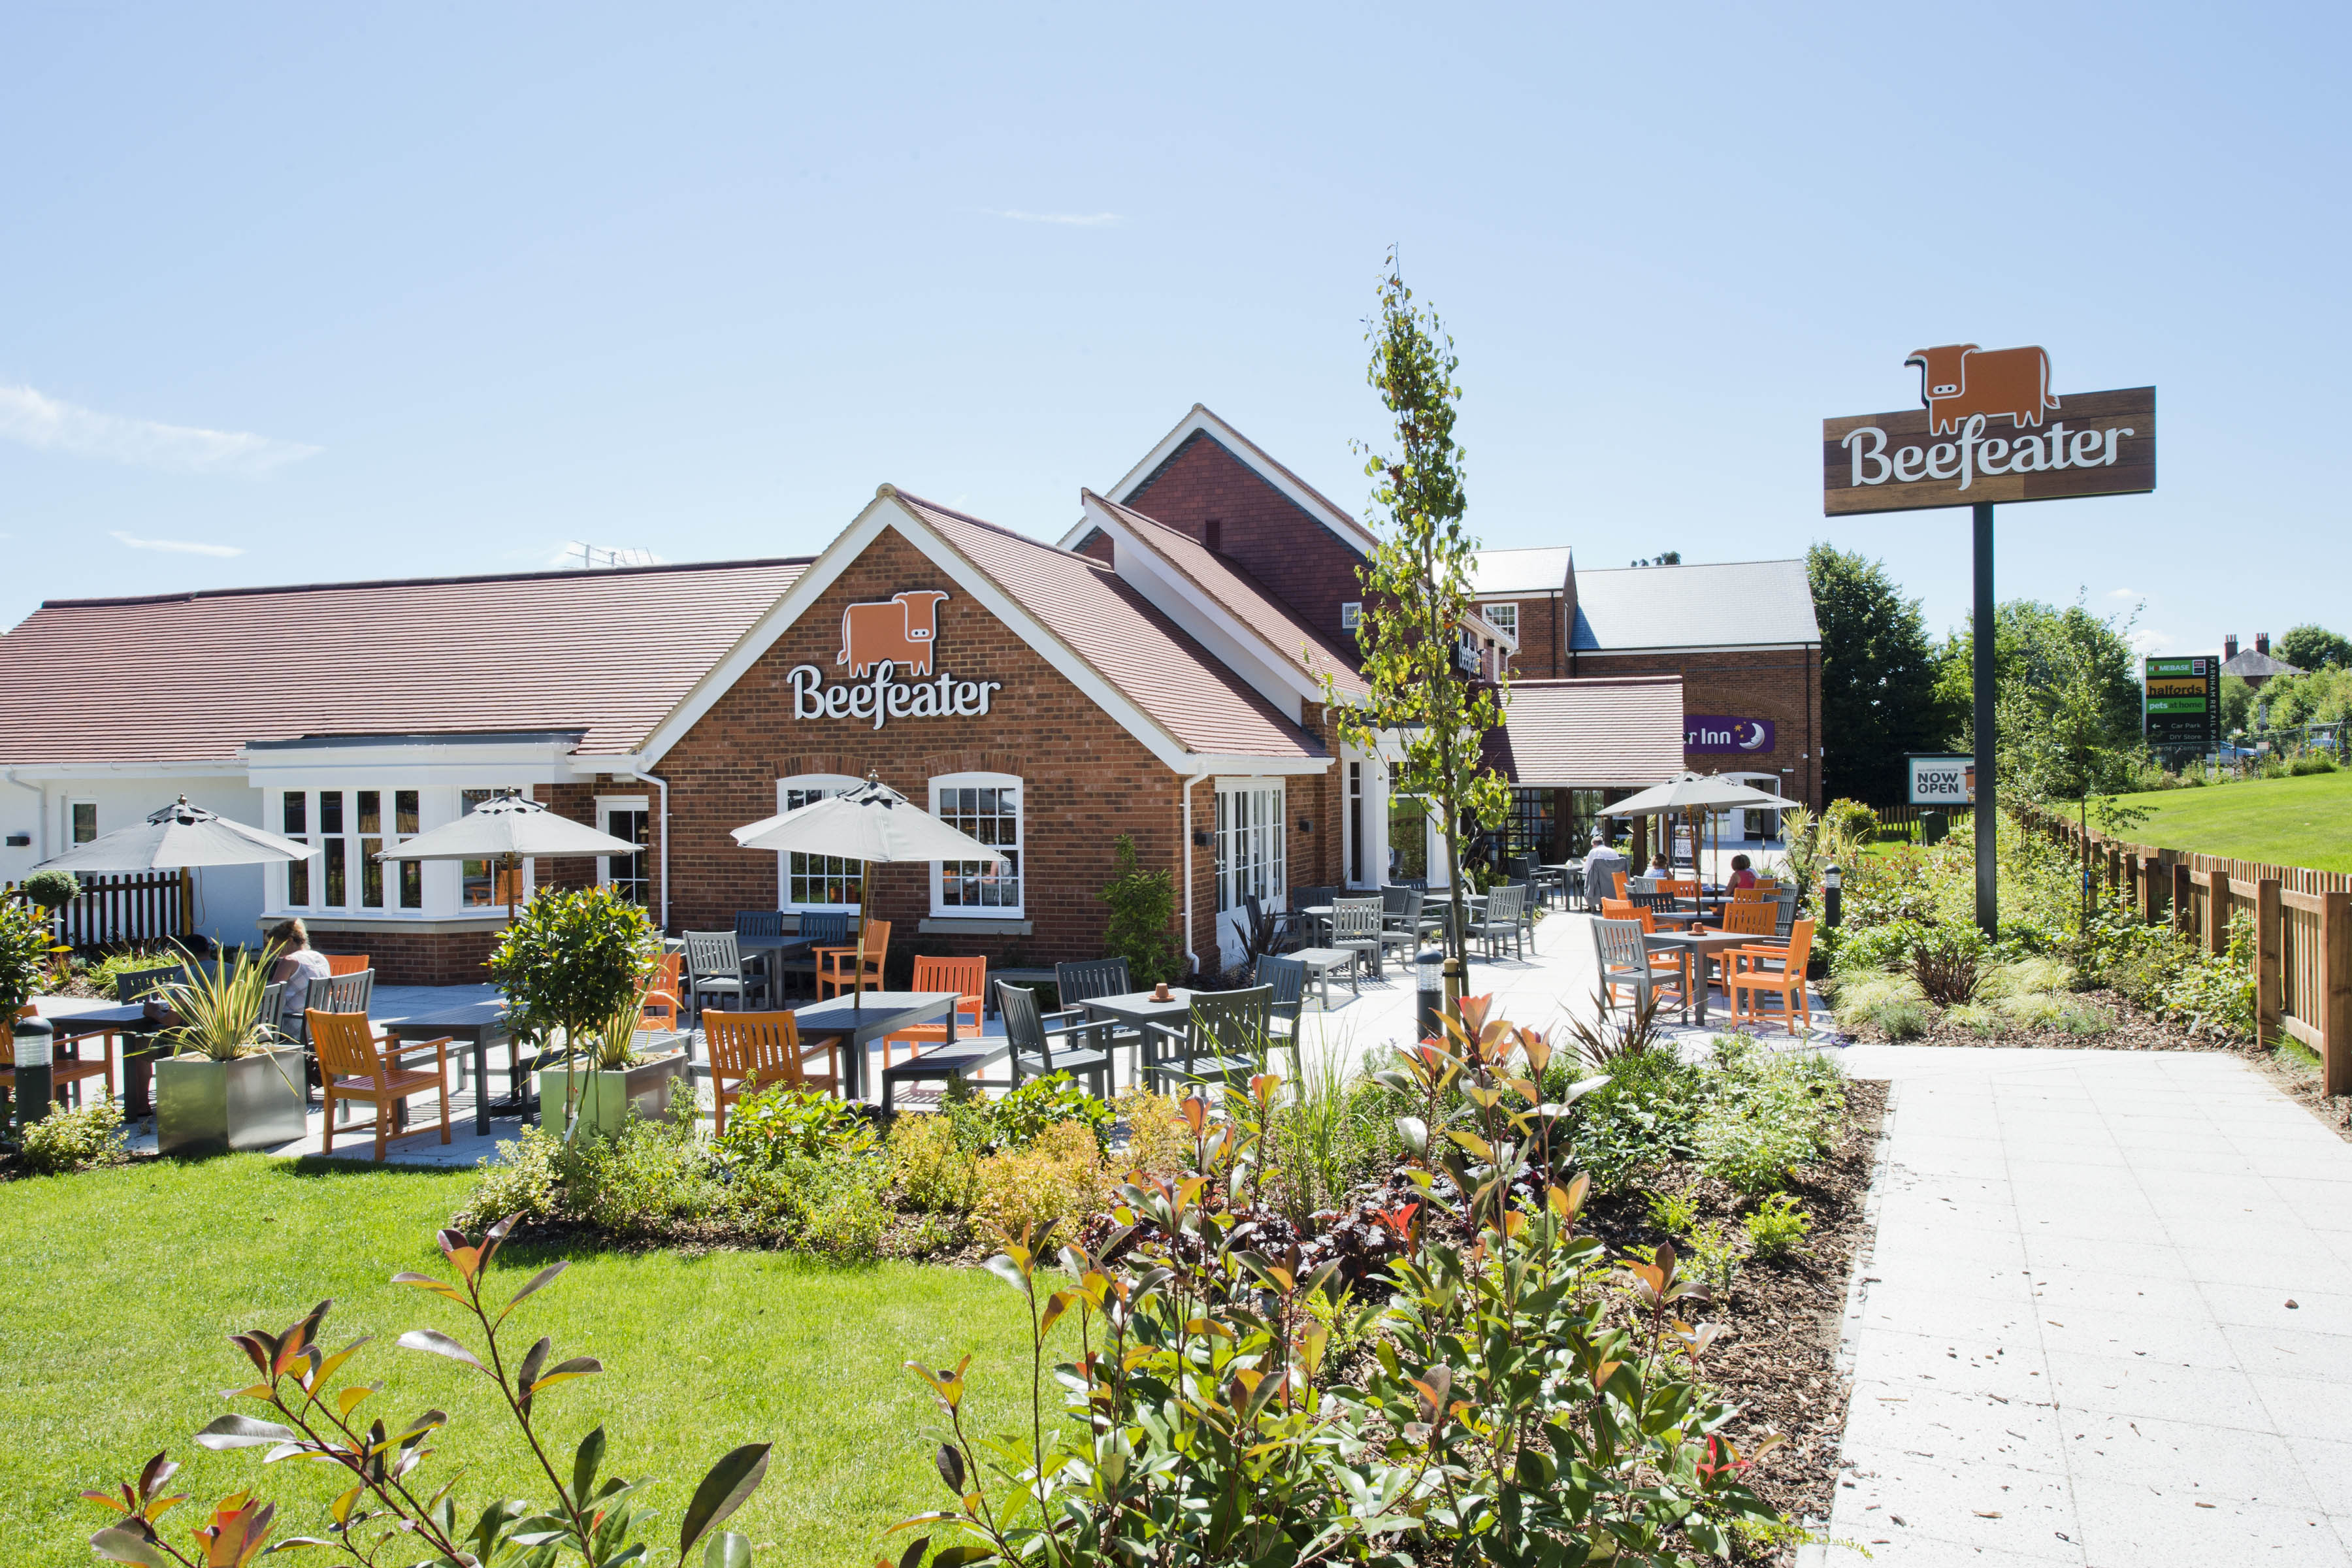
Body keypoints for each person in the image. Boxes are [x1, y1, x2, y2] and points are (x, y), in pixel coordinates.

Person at [268, 918, 333, 1039]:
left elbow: (273, 998)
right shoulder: (320, 957)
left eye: (274, 944)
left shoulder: (290, 961)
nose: (271, 949)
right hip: (320, 1025)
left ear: (289, 941)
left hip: (295, 1028)